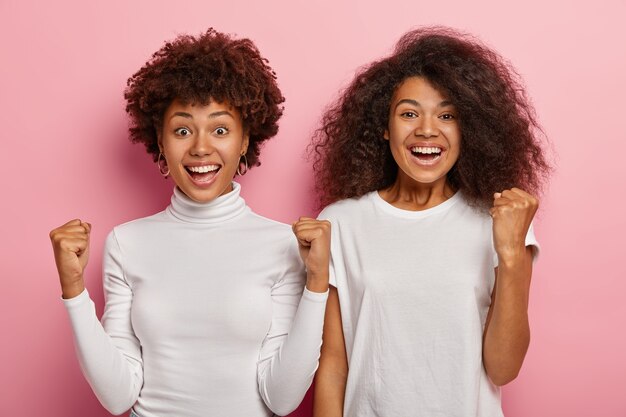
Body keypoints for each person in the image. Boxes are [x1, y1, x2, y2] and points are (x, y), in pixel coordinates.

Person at [49, 29, 330, 417]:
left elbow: (281, 400)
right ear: (160, 142)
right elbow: (117, 396)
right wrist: (74, 291)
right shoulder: (126, 243)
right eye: (182, 130)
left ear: (245, 139)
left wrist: (317, 285)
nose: (200, 147)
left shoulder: (283, 244)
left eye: (220, 129)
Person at [311, 26, 551, 417]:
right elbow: (334, 366)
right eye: (409, 113)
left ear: (468, 129)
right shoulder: (341, 223)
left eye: (447, 115)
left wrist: (510, 255)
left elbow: (504, 369)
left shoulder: (499, 223)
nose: (426, 130)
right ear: (384, 127)